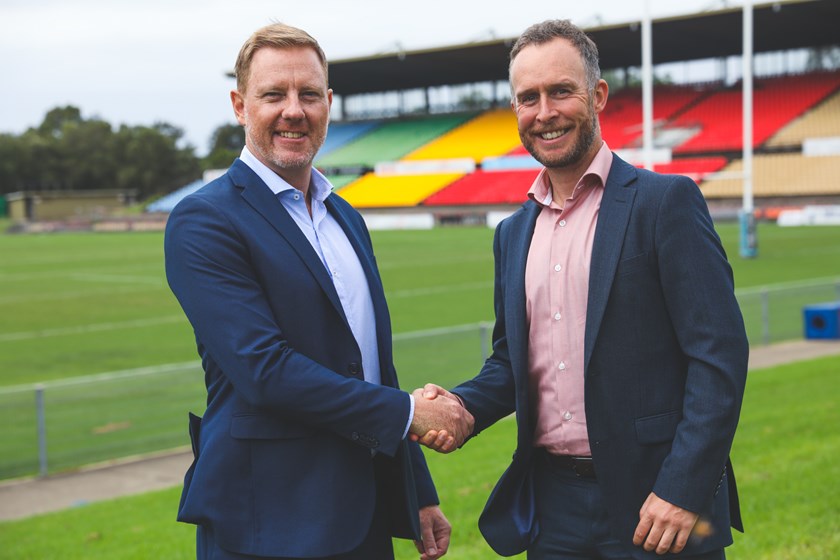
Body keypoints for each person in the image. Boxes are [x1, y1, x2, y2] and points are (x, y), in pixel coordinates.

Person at [415, 19, 749, 560]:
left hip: (657, 503)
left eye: (560, 91)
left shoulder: (666, 203)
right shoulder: (512, 234)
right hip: (553, 510)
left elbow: (719, 356)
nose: (544, 112)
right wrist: (460, 406)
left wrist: (682, 488)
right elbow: (511, 364)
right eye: (528, 98)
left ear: (596, 96)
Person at [165, 22, 472, 560]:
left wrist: (416, 491)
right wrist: (407, 413)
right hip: (268, 521)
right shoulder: (205, 219)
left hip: (365, 513)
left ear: (328, 103)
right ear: (240, 105)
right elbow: (264, 370)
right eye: (273, 95)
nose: (293, 110)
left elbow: (372, 364)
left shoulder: (344, 216)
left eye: (308, 94)